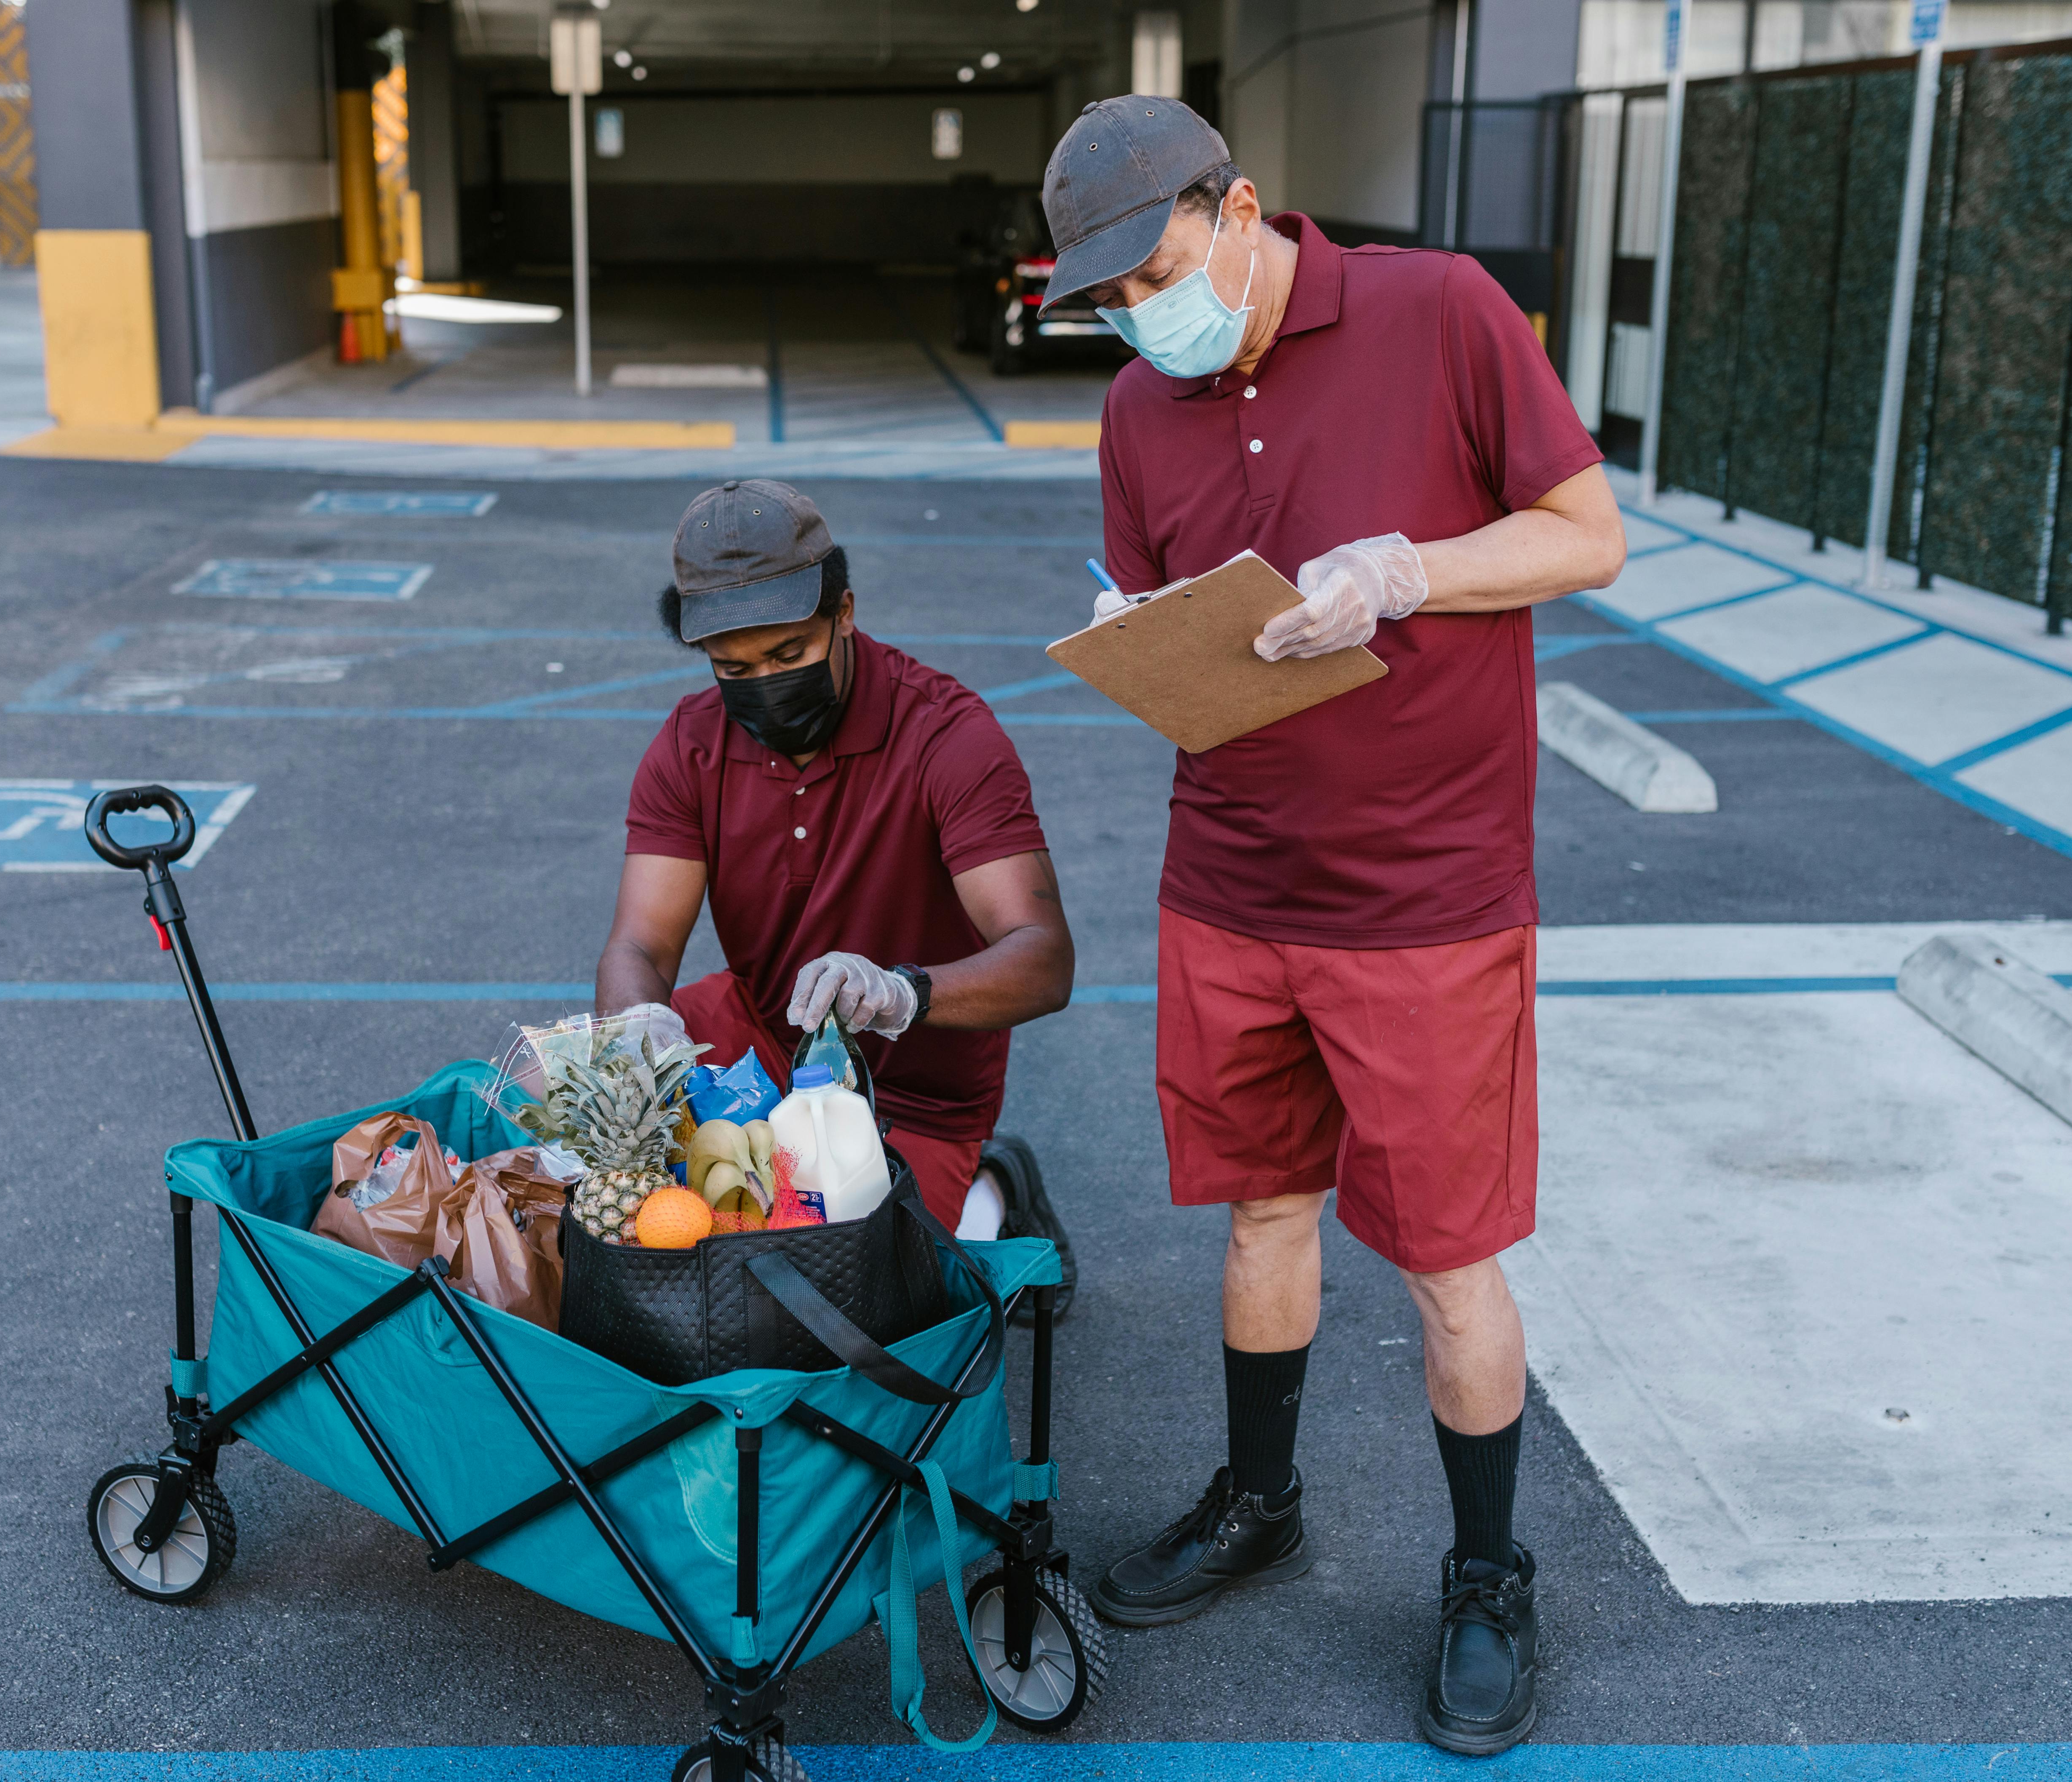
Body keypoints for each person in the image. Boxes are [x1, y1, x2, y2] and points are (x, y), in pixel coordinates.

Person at [1040, 99, 1626, 1754]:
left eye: (1155, 269)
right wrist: (1133, 632)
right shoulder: (1139, 409)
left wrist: (1409, 572)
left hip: (1425, 897)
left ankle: (1490, 1572)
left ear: (1237, 210)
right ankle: (1260, 1496)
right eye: (1108, 300)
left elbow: (1592, 535)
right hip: (1231, 880)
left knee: (1448, 1261)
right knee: (1262, 1217)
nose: (1143, 314)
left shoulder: (1442, 311)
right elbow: (1155, 607)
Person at [594, 479, 1079, 1307]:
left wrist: (900, 990)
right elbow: (642, 943)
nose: (765, 684)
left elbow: (1044, 961)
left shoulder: (947, 736)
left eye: (790, 655)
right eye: (734, 669)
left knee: (850, 1294)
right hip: (764, 1029)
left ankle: (993, 1191)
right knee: (576, 1163)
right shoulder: (691, 744)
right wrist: (636, 1029)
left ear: (843, 612)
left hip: (919, 1083)